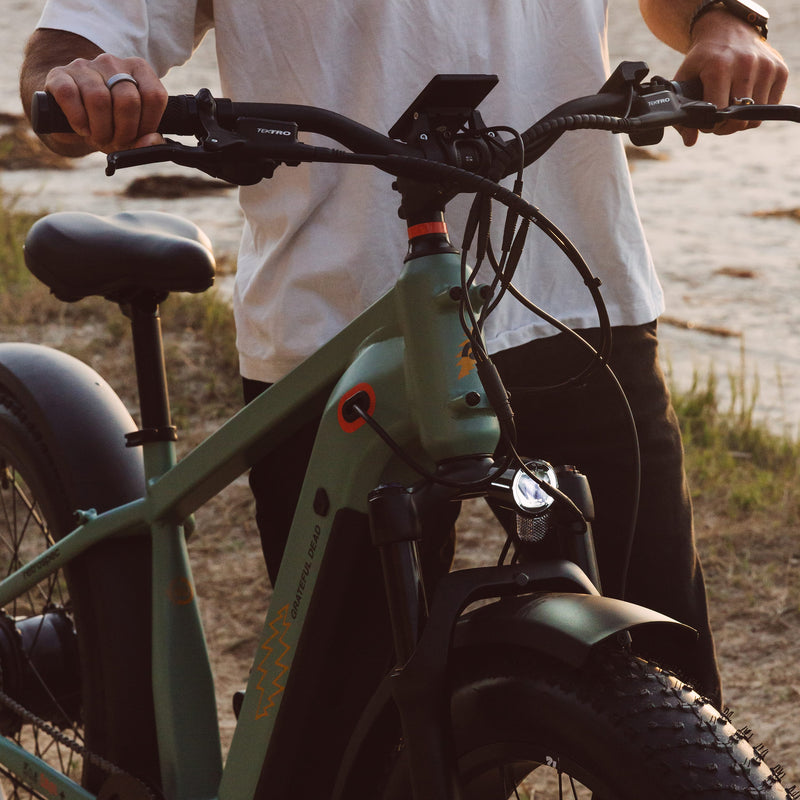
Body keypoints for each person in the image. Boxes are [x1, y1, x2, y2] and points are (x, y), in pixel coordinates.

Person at [19, 0, 788, 710]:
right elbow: (70, 47)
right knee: (353, 720)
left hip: (577, 303)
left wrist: (724, 23)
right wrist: (87, 83)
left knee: (673, 691)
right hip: (336, 337)